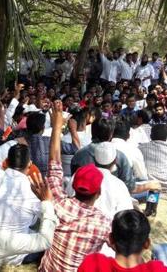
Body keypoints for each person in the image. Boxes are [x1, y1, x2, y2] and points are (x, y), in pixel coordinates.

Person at [39, 101, 111, 272]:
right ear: (98, 193)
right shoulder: (103, 223)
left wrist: (57, 127)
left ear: (73, 185)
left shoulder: (57, 201)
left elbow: (54, 163)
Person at [78, 210, 167, 272]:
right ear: (147, 244)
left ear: (111, 239)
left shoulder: (92, 264)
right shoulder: (158, 269)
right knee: (166, 249)